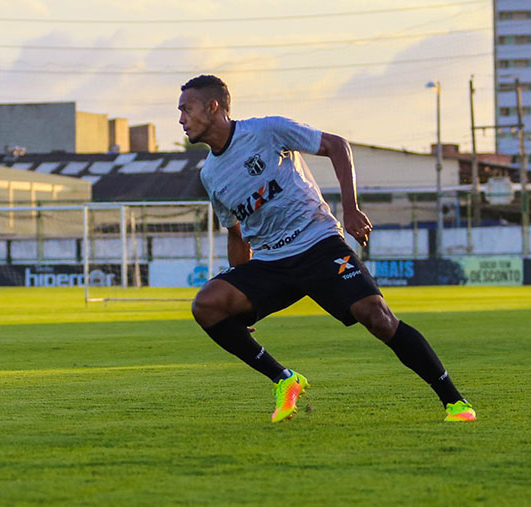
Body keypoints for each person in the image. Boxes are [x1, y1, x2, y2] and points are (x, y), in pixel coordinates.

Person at [178, 74, 476, 423]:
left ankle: (454, 402)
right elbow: (235, 233)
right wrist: (241, 304)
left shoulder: (266, 131)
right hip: (272, 262)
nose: (181, 119)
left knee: (377, 318)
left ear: (213, 107)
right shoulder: (211, 174)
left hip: (318, 241)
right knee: (207, 305)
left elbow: (337, 146)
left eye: (187, 109)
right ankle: (284, 380)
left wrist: (350, 208)